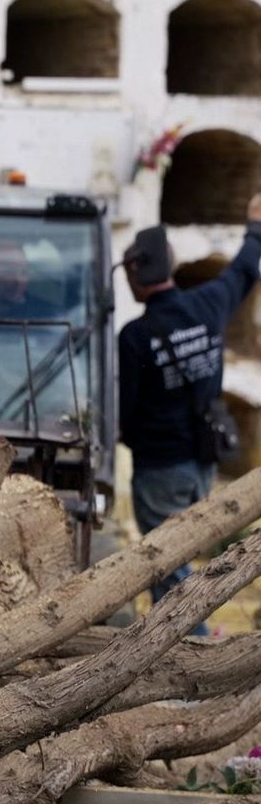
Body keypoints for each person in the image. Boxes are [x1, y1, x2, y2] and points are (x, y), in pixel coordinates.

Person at [119, 194, 261, 631]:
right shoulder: (208, 304)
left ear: (137, 274)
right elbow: (243, 269)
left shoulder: (136, 337)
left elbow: (124, 413)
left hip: (160, 469)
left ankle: (191, 647)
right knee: (184, 559)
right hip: (202, 463)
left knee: (168, 570)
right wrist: (254, 226)